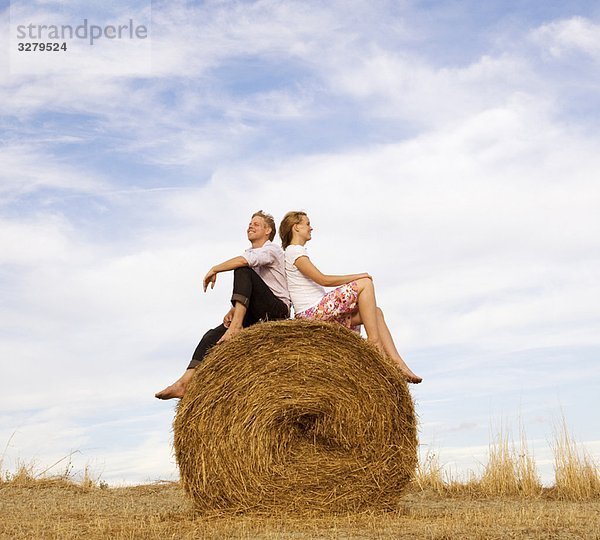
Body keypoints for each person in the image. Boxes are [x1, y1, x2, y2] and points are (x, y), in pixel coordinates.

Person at [155, 211, 291, 399]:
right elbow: (253, 287)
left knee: (241, 268)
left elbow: (245, 265)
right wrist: (235, 308)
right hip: (257, 310)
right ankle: (183, 383)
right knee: (211, 335)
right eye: (249, 223)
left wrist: (215, 268)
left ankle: (236, 327)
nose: (250, 226)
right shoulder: (249, 253)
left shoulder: (272, 250)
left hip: (276, 311)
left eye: (256, 224)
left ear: (268, 230)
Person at [279, 211, 422, 384]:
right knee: (365, 283)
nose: (311, 228)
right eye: (307, 224)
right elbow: (322, 279)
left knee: (375, 313)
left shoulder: (296, 252)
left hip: (318, 312)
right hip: (311, 313)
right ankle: (374, 345)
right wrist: (358, 276)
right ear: (296, 227)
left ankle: (396, 363)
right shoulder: (294, 251)